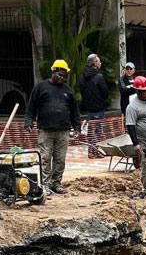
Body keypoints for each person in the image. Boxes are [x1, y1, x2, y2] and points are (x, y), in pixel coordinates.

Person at [24, 59, 81, 195]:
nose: (62, 78)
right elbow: (31, 106)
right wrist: (28, 121)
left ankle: (56, 183)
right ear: (53, 72)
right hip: (45, 130)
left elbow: (74, 111)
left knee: (60, 159)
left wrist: (77, 127)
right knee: (45, 158)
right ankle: (45, 184)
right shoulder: (41, 87)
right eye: (60, 74)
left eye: (64, 75)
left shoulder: (68, 91)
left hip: (63, 131)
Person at [79, 53, 109, 158]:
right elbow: (105, 92)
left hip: (88, 109)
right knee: (97, 131)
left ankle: (92, 150)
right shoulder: (99, 77)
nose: (100, 63)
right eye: (99, 61)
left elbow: (81, 90)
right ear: (95, 63)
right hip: (98, 108)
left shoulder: (83, 77)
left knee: (92, 131)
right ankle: (93, 151)